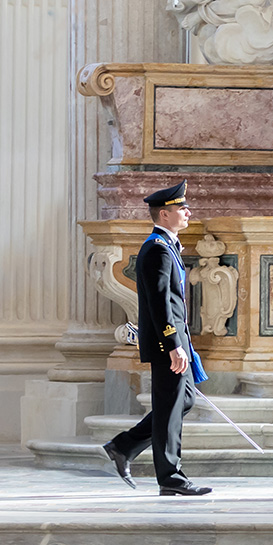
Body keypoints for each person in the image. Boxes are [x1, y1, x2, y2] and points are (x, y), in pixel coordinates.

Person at [103, 182, 213, 497]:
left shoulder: (166, 245)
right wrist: (173, 345)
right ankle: (171, 477)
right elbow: (159, 302)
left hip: (176, 342)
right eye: (182, 208)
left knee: (184, 400)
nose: (188, 212)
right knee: (169, 407)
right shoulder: (157, 248)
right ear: (164, 214)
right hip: (170, 344)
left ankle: (124, 445)